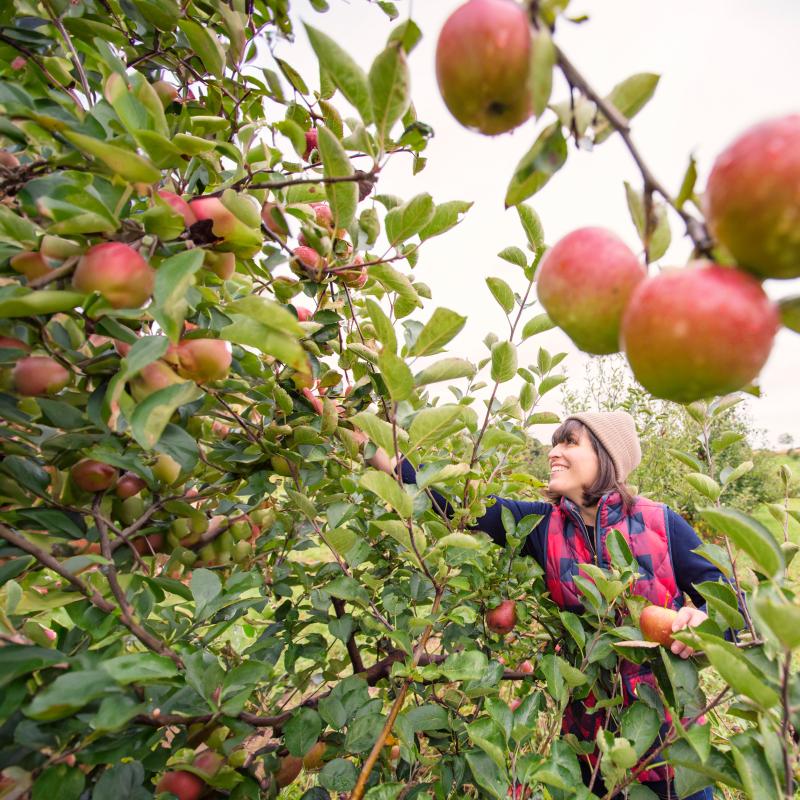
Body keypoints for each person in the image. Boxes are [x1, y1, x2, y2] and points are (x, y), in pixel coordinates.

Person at [367, 410, 723, 800]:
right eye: (555, 442)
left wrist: (703, 621)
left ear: (607, 458)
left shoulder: (660, 524)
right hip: (591, 749)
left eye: (569, 442)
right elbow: (452, 503)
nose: (554, 452)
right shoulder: (544, 526)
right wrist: (373, 445)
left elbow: (728, 597)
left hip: (669, 747)